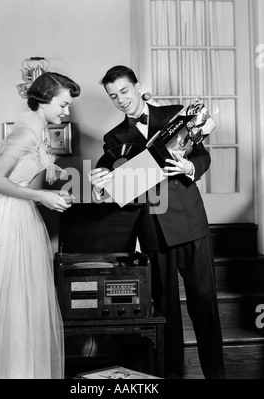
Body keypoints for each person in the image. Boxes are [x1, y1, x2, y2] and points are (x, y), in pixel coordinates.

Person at [89, 65, 225, 379]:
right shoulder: (113, 138)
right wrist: (100, 182)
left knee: (205, 307)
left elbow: (202, 156)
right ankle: (173, 375)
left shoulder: (174, 115)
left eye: (124, 91)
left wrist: (188, 166)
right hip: (153, 231)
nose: (120, 100)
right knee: (167, 317)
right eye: (113, 96)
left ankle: (217, 376)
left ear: (138, 87)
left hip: (190, 224)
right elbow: (112, 185)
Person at [0, 72, 80, 379]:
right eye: (63, 104)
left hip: (20, 215)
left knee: (19, 303)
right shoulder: (28, 130)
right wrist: (40, 195)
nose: (66, 112)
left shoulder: (41, 130)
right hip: (1, 218)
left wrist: (49, 195)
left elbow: (25, 181)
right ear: (44, 100)